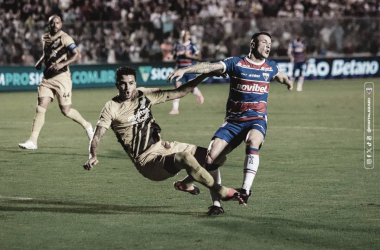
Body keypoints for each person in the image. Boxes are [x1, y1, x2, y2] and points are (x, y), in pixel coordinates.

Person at [167, 32, 293, 215]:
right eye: (264, 42)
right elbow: (209, 67)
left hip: (256, 119)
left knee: (253, 142)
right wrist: (185, 70)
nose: (268, 46)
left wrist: (288, 82)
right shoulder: (236, 64)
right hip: (233, 121)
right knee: (211, 157)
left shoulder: (270, 67)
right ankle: (216, 205)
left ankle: (246, 189)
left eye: (270, 43)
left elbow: (280, 76)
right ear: (252, 44)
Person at [83, 67, 244, 209]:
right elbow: (97, 135)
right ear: (117, 84)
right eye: (123, 83)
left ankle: (185, 184)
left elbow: (180, 92)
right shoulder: (111, 107)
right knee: (185, 158)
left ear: (135, 82)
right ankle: (222, 191)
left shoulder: (144, 94)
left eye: (131, 83)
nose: (127, 87)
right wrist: (93, 155)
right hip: (147, 161)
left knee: (215, 157)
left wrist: (205, 74)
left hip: (164, 147)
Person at [19, 15, 93, 150]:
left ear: (61, 24)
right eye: (52, 23)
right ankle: (33, 141)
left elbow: (78, 55)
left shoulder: (65, 38)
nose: (55, 25)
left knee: (65, 110)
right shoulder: (45, 37)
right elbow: (47, 53)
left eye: (57, 23)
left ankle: (87, 126)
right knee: (40, 106)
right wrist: (40, 61)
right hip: (47, 78)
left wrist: (62, 64)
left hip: (62, 78)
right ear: (48, 25)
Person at [170, 30, 204, 115]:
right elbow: (174, 56)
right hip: (179, 69)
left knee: (191, 88)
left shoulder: (192, 46)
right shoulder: (177, 45)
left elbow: (199, 57)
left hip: (189, 69)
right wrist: (175, 55)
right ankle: (175, 109)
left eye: (187, 35)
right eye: (184, 35)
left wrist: (189, 56)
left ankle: (198, 94)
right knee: (177, 88)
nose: (186, 36)